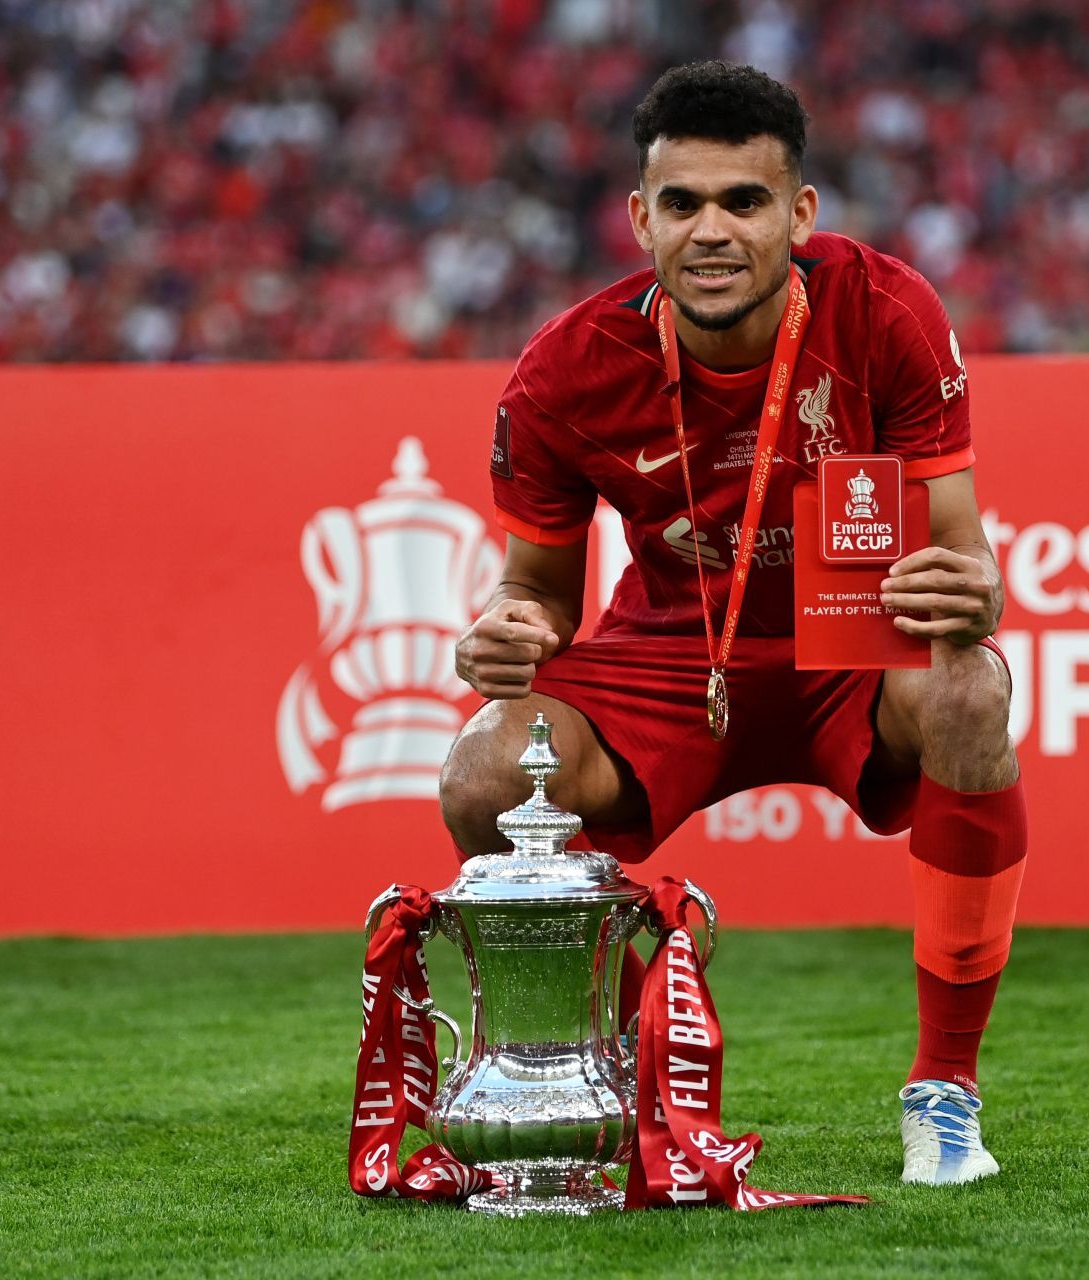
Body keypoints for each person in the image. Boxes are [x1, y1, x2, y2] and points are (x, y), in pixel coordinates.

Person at [440, 61, 1026, 1187]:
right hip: (666, 654)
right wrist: (505, 633)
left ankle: (946, 1090)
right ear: (640, 218)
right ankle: (593, 1078)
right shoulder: (565, 369)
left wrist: (977, 595)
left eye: (744, 202)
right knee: (481, 772)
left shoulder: (885, 311)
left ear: (798, 214)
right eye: (683, 204)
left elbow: (960, 552)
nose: (712, 231)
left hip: (843, 653)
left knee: (968, 686)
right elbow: (542, 596)